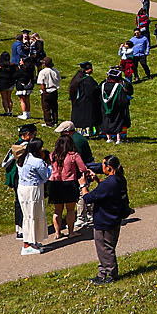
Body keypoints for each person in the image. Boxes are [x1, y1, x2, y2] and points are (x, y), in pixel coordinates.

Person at [82, 154, 131, 284]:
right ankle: (102, 273)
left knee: (105, 248)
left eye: (102, 165)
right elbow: (107, 192)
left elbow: (88, 198)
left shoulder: (108, 184)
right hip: (114, 219)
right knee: (106, 248)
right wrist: (97, 180)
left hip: (104, 221)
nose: (101, 167)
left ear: (109, 168)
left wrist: (83, 186)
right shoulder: (120, 179)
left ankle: (110, 274)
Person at [46, 128, 88, 238]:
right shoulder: (73, 155)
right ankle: (71, 232)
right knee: (70, 210)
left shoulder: (52, 155)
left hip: (55, 183)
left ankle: (57, 232)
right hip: (69, 183)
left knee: (57, 210)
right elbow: (83, 168)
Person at [14, 137, 51, 254]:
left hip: (23, 189)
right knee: (33, 216)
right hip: (33, 190)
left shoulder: (22, 158)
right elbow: (46, 176)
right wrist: (49, 166)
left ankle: (32, 240)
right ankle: (26, 245)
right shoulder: (37, 161)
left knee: (29, 215)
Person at [99, 68, 132, 144]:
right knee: (118, 122)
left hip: (105, 106)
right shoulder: (118, 87)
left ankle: (109, 138)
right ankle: (118, 139)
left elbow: (100, 96)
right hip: (117, 108)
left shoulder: (103, 85)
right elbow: (122, 99)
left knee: (106, 121)